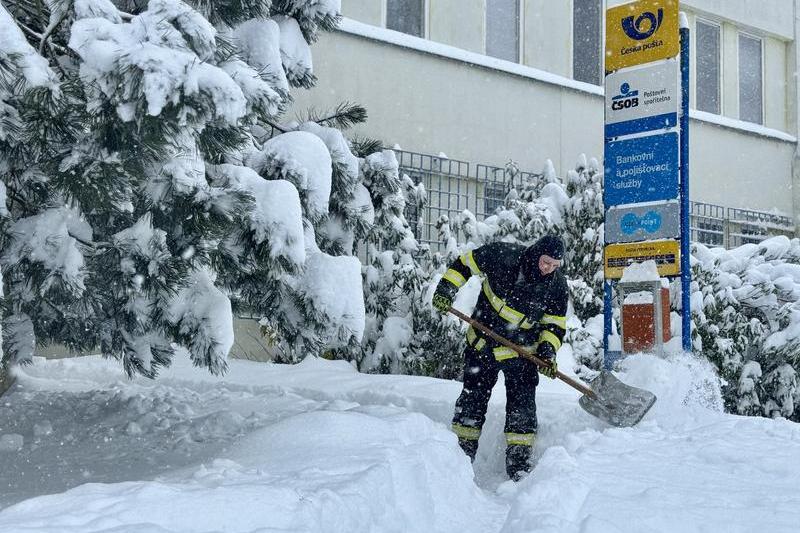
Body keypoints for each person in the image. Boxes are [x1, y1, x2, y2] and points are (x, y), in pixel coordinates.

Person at [431, 235, 568, 481]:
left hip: (522, 353)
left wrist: (547, 350)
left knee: (522, 409)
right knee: (472, 401)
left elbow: (555, 324)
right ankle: (459, 459)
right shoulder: (502, 255)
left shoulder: (556, 286)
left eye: (555, 266)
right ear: (537, 253)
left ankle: (519, 467)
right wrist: (446, 289)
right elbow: (465, 264)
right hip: (481, 344)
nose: (548, 269)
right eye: (546, 262)